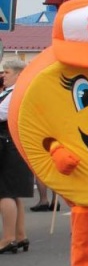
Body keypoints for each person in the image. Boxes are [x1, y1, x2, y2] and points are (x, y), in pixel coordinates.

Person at [0, 59, 33, 254]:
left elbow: (2, 113)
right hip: (13, 144)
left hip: (8, 145)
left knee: (4, 192)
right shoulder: (13, 92)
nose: (3, 75)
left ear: (19, 74)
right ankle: (20, 236)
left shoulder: (16, 93)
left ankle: (8, 238)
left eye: (7, 72)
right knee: (13, 192)